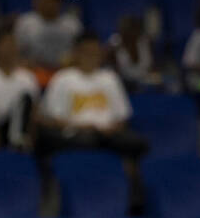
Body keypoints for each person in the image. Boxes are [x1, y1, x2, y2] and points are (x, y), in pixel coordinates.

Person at [34, 32, 148, 162]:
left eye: (95, 52)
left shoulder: (110, 78)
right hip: (77, 134)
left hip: (107, 135)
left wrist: (111, 129)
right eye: (87, 52)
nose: (91, 57)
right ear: (76, 53)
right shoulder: (63, 78)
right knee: (73, 139)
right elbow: (54, 120)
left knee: (137, 143)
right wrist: (84, 127)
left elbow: (122, 118)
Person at [16, 0, 80, 85]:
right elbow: (16, 54)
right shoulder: (26, 23)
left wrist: (72, 60)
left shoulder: (72, 25)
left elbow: (81, 55)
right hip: (34, 75)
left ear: (57, 0)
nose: (37, 1)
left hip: (65, 76)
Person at [108, 13, 160, 92]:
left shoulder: (145, 42)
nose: (130, 33)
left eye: (132, 30)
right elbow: (111, 69)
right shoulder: (115, 43)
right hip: (124, 83)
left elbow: (152, 66)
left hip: (144, 81)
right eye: (125, 30)